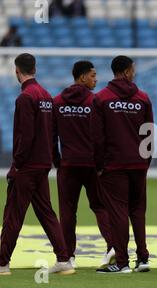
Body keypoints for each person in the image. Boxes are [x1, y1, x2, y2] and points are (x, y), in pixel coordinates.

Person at [0, 53, 74, 276]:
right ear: (35, 69)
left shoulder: (25, 98)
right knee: (46, 212)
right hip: (42, 164)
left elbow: (25, 135)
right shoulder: (47, 96)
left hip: (28, 165)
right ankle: (63, 259)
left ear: (16, 71)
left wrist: (17, 164)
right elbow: (51, 132)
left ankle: (2, 263)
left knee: (13, 214)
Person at [92, 56, 153, 274]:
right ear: (127, 72)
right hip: (138, 164)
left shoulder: (101, 98)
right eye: (133, 69)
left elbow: (97, 137)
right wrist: (146, 161)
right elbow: (149, 133)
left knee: (117, 212)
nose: (134, 73)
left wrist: (99, 165)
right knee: (138, 210)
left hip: (114, 165)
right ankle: (143, 258)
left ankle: (122, 262)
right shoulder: (143, 98)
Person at [53, 61, 114, 268]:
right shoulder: (95, 101)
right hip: (92, 164)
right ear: (82, 77)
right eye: (93, 75)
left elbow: (52, 135)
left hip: (68, 164)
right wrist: (102, 163)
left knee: (67, 211)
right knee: (100, 206)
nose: (96, 79)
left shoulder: (58, 102)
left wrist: (57, 160)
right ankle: (113, 245)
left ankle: (68, 257)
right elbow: (103, 136)